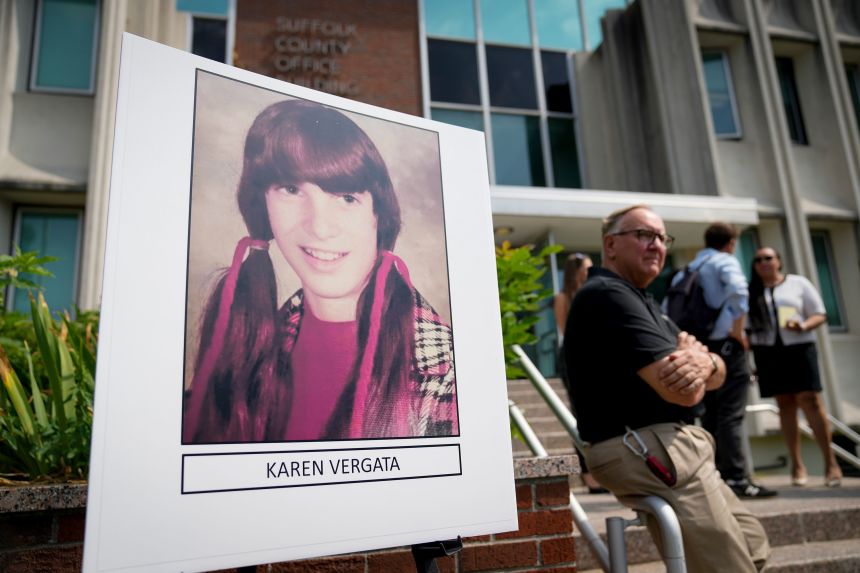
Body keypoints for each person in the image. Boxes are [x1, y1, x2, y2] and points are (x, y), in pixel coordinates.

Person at [183, 99, 458, 443]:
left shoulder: (444, 369)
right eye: (291, 189)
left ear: (379, 214)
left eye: (345, 197)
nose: (320, 228)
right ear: (263, 206)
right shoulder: (246, 345)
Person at [564, 204, 770, 573]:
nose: (656, 244)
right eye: (643, 235)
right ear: (610, 245)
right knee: (729, 566)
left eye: (662, 237)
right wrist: (700, 360)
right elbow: (685, 393)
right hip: (644, 444)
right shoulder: (608, 295)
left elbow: (715, 372)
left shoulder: (645, 300)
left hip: (672, 444)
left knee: (753, 546)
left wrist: (703, 360)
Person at [669, 223, 776, 498]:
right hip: (727, 345)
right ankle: (737, 477)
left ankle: (714, 474)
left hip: (701, 347)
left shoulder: (689, 268)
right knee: (731, 413)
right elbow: (740, 292)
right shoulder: (724, 261)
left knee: (711, 413)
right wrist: (738, 331)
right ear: (730, 243)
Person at [748, 247, 842, 487]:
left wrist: (803, 325)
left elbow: (820, 314)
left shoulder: (798, 284)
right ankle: (797, 465)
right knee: (785, 405)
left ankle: (831, 463)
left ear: (779, 261)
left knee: (810, 400)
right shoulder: (751, 291)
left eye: (768, 258)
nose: (763, 263)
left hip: (799, 348)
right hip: (768, 352)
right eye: (758, 260)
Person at [553, 253, 606, 494]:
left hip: (596, 354)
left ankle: (602, 470)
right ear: (576, 271)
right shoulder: (563, 298)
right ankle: (587, 474)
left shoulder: (595, 292)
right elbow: (566, 330)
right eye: (586, 268)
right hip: (574, 354)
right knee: (579, 412)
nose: (590, 272)